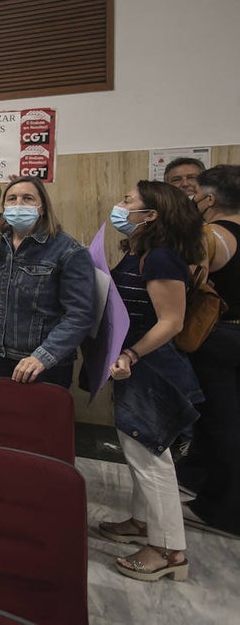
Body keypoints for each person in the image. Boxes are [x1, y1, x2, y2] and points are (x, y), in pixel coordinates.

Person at [98, 180, 204, 582]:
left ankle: (169, 551)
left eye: (128, 201)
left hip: (152, 370)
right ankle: (143, 523)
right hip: (135, 366)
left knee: (151, 460)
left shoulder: (161, 259)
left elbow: (171, 322)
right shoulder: (141, 254)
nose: (120, 206)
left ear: (151, 215)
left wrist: (131, 353)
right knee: (137, 449)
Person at [0, 165, 96, 388]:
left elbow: (79, 315)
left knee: (40, 422)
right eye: (12, 199)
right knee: (4, 422)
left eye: (27, 198)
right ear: (3, 207)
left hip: (43, 365)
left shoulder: (68, 251)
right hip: (0, 356)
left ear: (42, 207)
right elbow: (2, 291)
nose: (19, 205)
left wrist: (42, 357)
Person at [181, 165, 240, 536]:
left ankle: (224, 509)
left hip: (218, 337)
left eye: (196, 193)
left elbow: (185, 283)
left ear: (210, 199)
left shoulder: (210, 236)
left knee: (221, 422)